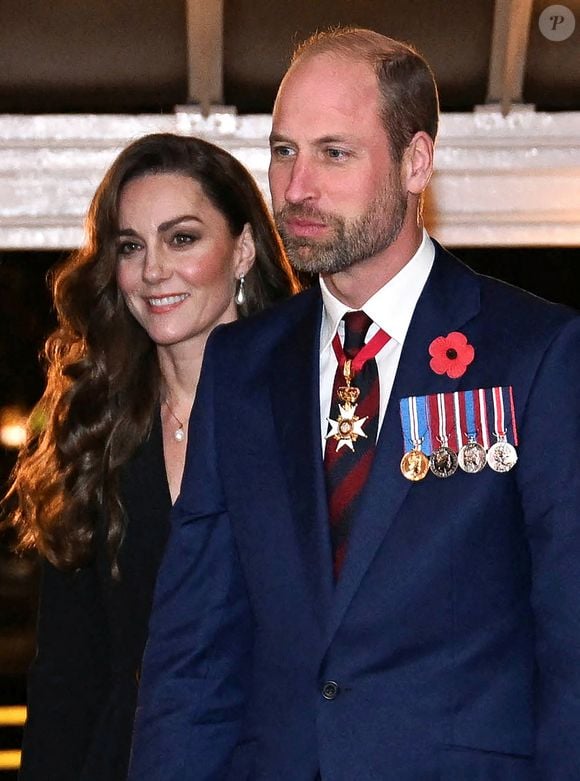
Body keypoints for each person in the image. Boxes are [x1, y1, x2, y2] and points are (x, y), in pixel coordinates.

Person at [129, 29, 580, 781]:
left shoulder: (534, 353)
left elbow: (571, 638)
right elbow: (193, 648)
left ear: (416, 162)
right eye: (282, 151)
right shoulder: (241, 366)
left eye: (334, 153)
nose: (297, 186)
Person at [4, 132, 299, 781]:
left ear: (243, 249)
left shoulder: (312, 420)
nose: (153, 269)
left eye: (182, 237)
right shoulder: (95, 432)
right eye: (131, 246)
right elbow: (66, 675)